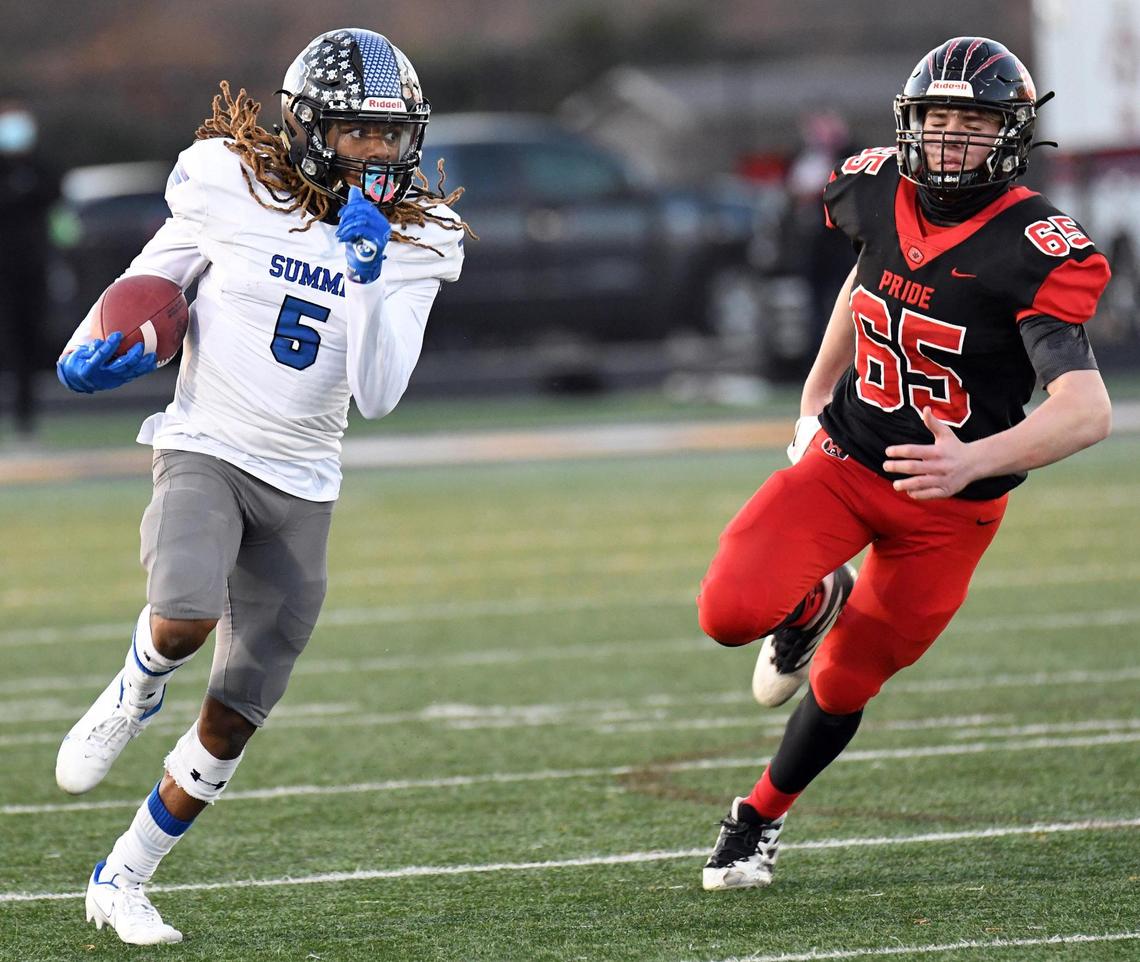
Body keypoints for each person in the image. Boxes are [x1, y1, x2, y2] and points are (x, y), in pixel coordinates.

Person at [53, 28, 467, 944]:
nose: (382, 153)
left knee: (236, 717)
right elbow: (153, 278)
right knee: (183, 615)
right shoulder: (226, 183)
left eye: (396, 135)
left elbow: (381, 394)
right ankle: (137, 683)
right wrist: (88, 349)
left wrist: (365, 275)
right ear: (312, 128)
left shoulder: (423, 238)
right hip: (209, 442)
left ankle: (122, 877)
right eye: (360, 132)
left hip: (306, 479)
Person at [696, 36, 1112, 890]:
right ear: (910, 124)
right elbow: (866, 280)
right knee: (730, 611)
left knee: (847, 682)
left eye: (973, 122)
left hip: (949, 510)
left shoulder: (1034, 244)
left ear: (1011, 135)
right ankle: (812, 602)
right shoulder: (876, 185)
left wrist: (975, 462)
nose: (951, 138)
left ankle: (758, 816)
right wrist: (814, 396)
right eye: (938, 119)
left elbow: (1086, 409)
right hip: (848, 459)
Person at [0, 98, 58, 439]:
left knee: (29, 338)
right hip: (3, 270)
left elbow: (53, 196)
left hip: (33, 267)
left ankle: (25, 415)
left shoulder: (40, 166)